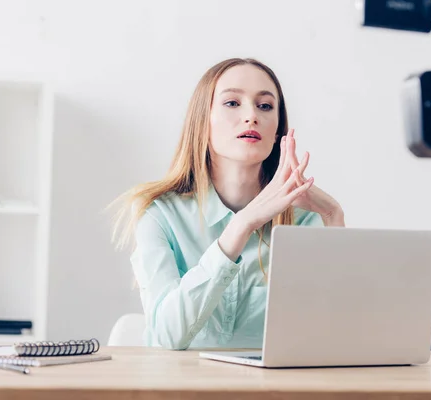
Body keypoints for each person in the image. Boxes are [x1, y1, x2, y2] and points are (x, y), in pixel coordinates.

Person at [110, 57, 345, 350]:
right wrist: (242, 226)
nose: (251, 116)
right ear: (202, 120)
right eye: (232, 103)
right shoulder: (158, 214)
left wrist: (333, 218)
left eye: (265, 106)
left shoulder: (305, 219)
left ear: (277, 131)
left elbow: (331, 339)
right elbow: (164, 338)